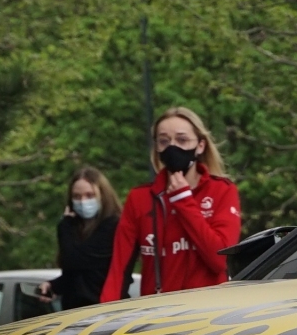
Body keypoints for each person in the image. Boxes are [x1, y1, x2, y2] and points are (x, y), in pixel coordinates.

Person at [102, 107, 242, 300]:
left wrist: (183, 201)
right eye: (164, 141)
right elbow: (119, 268)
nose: (172, 147)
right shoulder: (140, 198)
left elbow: (219, 259)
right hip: (158, 312)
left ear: (200, 146)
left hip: (210, 311)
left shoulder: (222, 191)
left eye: (182, 140)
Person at [56, 166, 121, 310]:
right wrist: (53, 286)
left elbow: (76, 260)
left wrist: (64, 227)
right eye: (77, 197)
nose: (83, 201)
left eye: (89, 195)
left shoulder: (113, 226)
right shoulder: (74, 228)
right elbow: (76, 275)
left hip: (106, 312)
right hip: (74, 313)